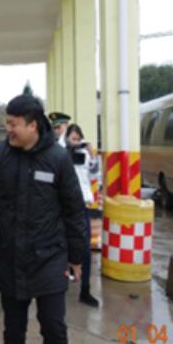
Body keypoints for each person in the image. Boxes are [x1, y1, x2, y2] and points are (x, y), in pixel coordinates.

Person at [0, 95, 87, 344]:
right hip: (10, 257)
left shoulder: (57, 158)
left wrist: (76, 257)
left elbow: (74, 210)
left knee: (54, 329)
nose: (8, 129)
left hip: (50, 258)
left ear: (33, 125)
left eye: (14, 124)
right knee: (13, 333)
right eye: (7, 123)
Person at [64, 124, 100, 308]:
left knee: (85, 248)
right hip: (63, 208)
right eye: (73, 138)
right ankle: (60, 285)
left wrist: (92, 156)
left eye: (79, 139)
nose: (76, 142)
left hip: (82, 206)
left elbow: (95, 175)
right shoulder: (60, 154)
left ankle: (85, 290)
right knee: (62, 247)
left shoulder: (85, 155)